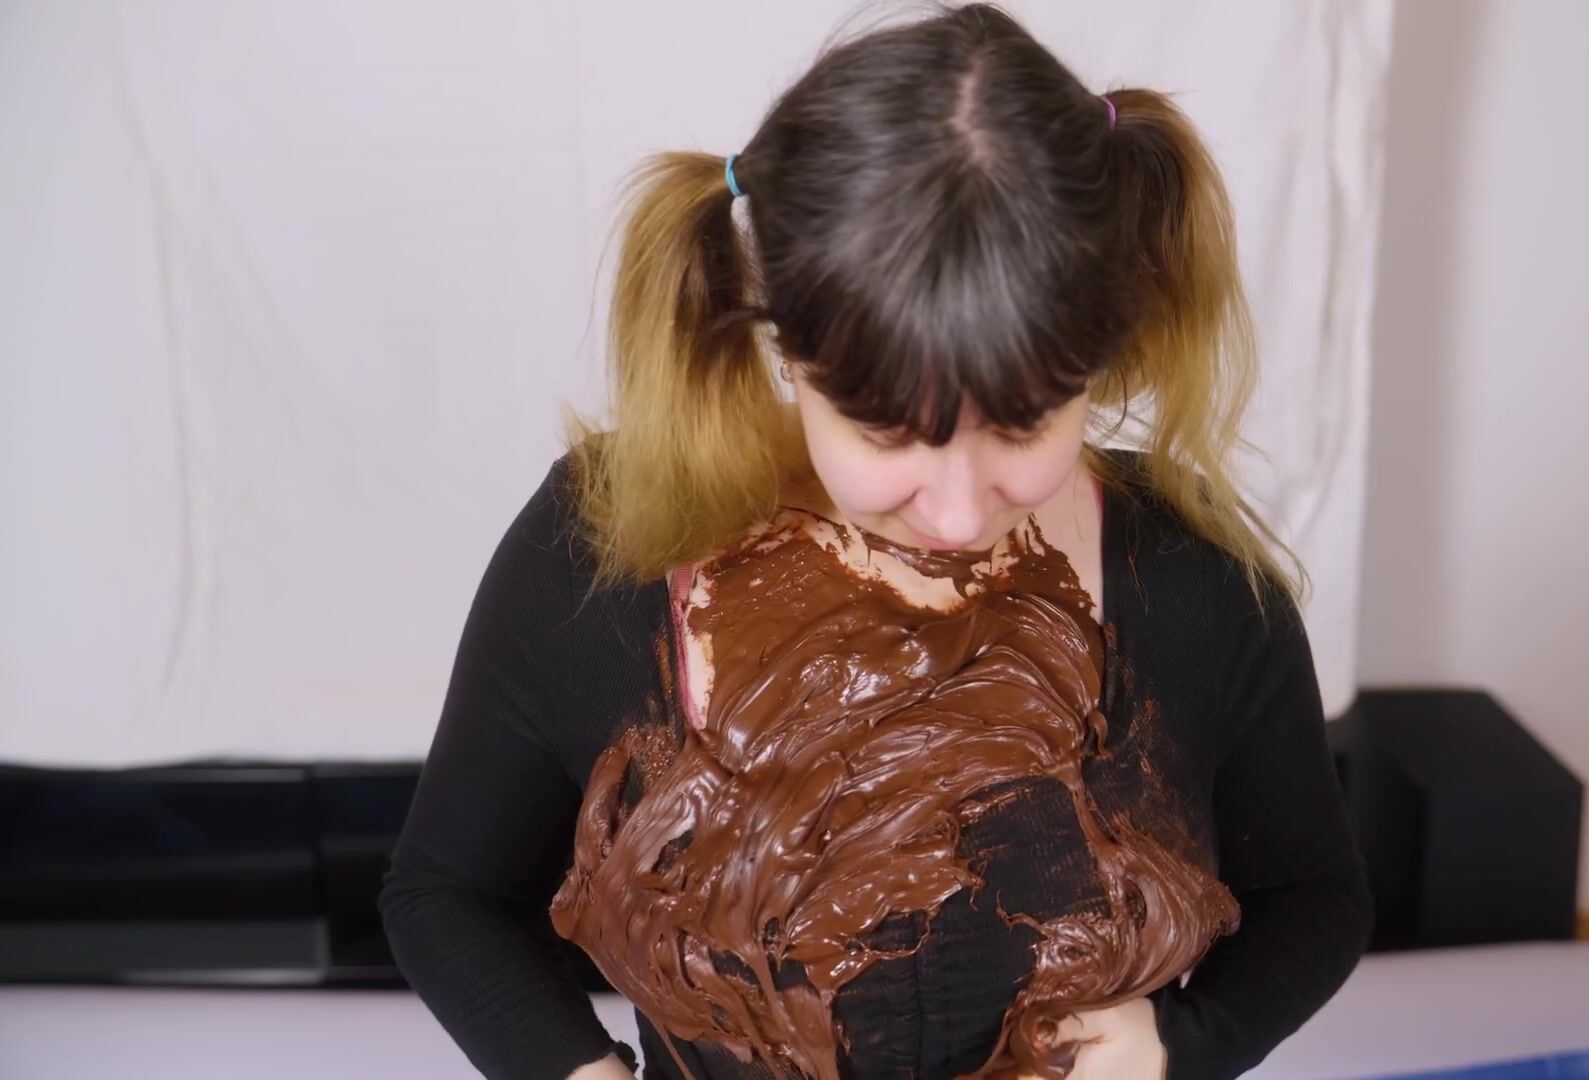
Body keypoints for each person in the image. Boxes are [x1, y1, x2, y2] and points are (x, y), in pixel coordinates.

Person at [378, 4, 1374, 1079]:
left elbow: (1315, 897)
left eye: (1024, 426)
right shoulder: (600, 551)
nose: (958, 513)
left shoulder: (1196, 582)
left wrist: (1186, 1047)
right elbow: (447, 894)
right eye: (890, 435)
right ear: (787, 349)